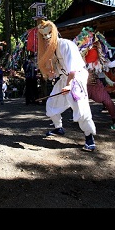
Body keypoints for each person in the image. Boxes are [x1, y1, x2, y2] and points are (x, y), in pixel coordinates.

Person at [36, 19, 97, 152]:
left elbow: (73, 68)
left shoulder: (66, 45)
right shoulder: (51, 50)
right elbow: (59, 70)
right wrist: (52, 73)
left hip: (76, 78)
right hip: (65, 78)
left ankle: (89, 138)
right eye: (43, 37)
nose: (46, 39)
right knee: (51, 103)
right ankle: (59, 128)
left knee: (80, 108)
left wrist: (69, 85)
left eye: (48, 36)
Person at [74, 28, 115, 130]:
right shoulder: (77, 53)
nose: (90, 37)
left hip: (95, 83)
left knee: (108, 101)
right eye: (88, 35)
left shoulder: (99, 52)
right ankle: (78, 120)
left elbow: (108, 64)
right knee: (77, 102)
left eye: (92, 35)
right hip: (80, 83)